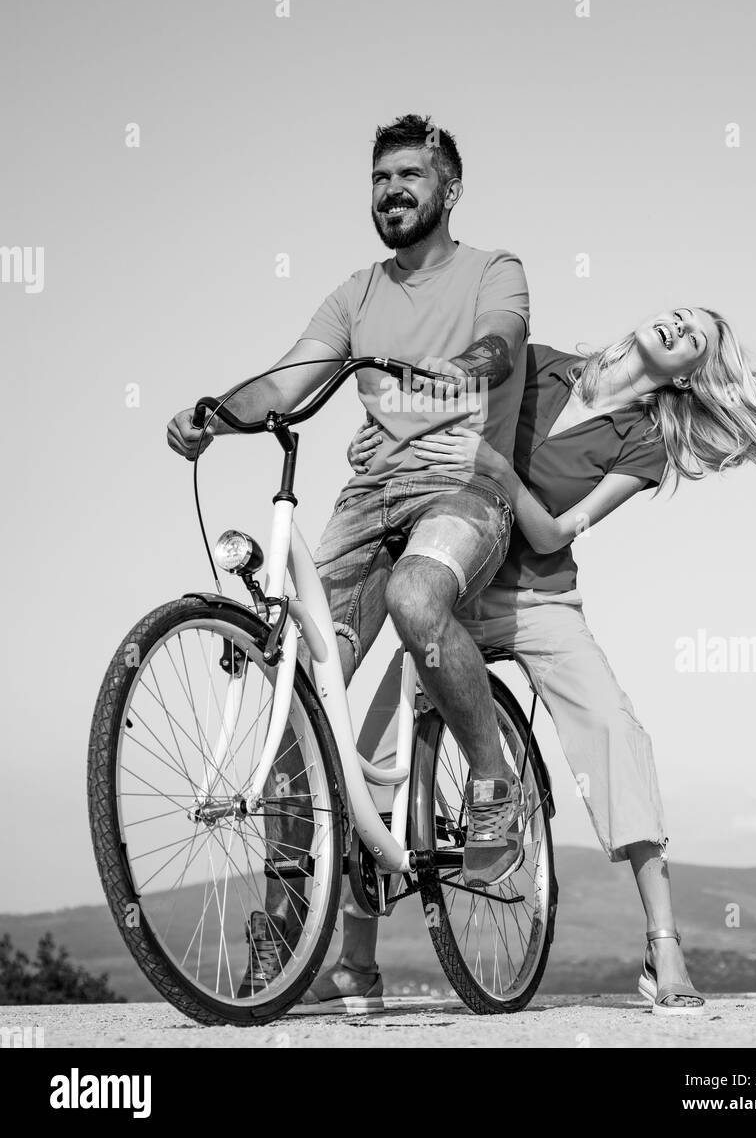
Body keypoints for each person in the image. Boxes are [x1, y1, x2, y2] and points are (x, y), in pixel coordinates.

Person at [299, 306, 756, 1015]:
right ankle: (356, 964)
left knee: (612, 727)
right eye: (676, 311)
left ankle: (662, 942)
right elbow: (438, 415)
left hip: (537, 600)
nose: (674, 323)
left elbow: (552, 535)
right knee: (369, 761)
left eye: (693, 335)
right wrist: (394, 428)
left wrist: (495, 470)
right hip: (449, 588)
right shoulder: (537, 365)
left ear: (692, 372)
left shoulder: (642, 443)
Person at [166, 114, 531, 996]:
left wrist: (461, 369)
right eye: (380, 179)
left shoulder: (494, 271)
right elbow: (292, 377)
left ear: (448, 189)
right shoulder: (355, 293)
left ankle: (492, 783)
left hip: (462, 486)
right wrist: (215, 412)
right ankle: (288, 937)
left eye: (410, 175)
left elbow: (500, 342)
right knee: (292, 682)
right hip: (368, 498)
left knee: (415, 600)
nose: (393, 191)